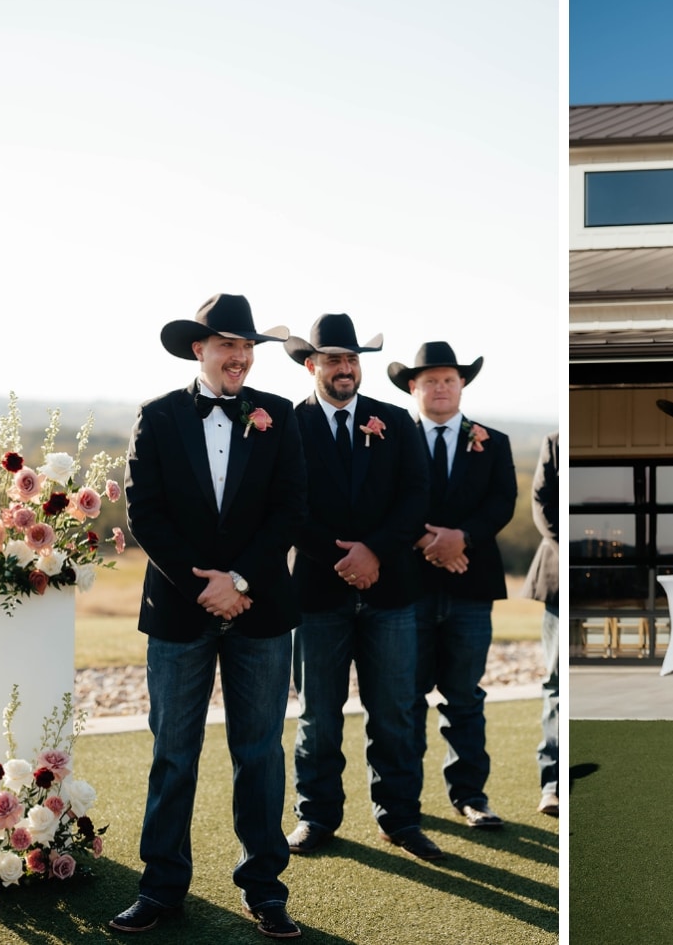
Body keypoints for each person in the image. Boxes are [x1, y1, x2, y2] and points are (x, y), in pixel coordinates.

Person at [111, 294, 307, 940]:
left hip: (261, 609)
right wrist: (207, 587)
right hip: (179, 607)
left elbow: (289, 508)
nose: (241, 356)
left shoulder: (277, 415)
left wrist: (242, 579)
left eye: (248, 346)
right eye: (228, 344)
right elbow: (146, 511)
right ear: (200, 348)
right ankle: (161, 886)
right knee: (174, 754)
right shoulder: (159, 416)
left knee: (260, 754)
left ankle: (264, 888)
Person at [280, 314, 442, 862]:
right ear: (311, 365)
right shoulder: (286, 424)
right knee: (319, 716)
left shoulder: (395, 422)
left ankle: (400, 818)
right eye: (333, 359)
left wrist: (375, 552)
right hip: (317, 595)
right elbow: (286, 506)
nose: (345, 368)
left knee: (394, 712)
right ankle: (316, 816)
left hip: (392, 590)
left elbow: (415, 499)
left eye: (352, 359)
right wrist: (345, 558)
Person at [388, 341, 517, 829]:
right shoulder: (392, 438)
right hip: (408, 586)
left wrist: (461, 538)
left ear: (462, 385)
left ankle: (470, 796)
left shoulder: (494, 440)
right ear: (413, 387)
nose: (440, 387)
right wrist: (426, 541)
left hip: (471, 585)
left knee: (464, 695)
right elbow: (387, 497)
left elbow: (501, 503)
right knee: (407, 696)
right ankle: (406, 801)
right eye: (430, 381)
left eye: (449, 379)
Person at [523, 431, 559, 816]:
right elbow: (539, 501)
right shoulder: (555, 441)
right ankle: (551, 785)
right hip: (555, 579)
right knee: (555, 684)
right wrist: (563, 547)